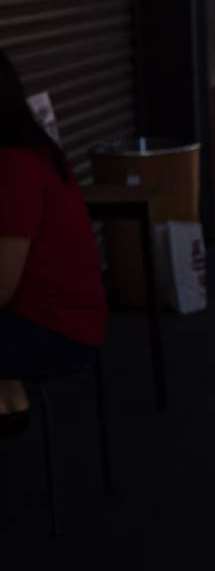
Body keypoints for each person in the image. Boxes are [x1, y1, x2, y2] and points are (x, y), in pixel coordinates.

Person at [0, 51, 107, 439]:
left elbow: (2, 286)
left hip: (58, 331)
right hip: (73, 323)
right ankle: (10, 402)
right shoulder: (37, 151)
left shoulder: (14, 166)